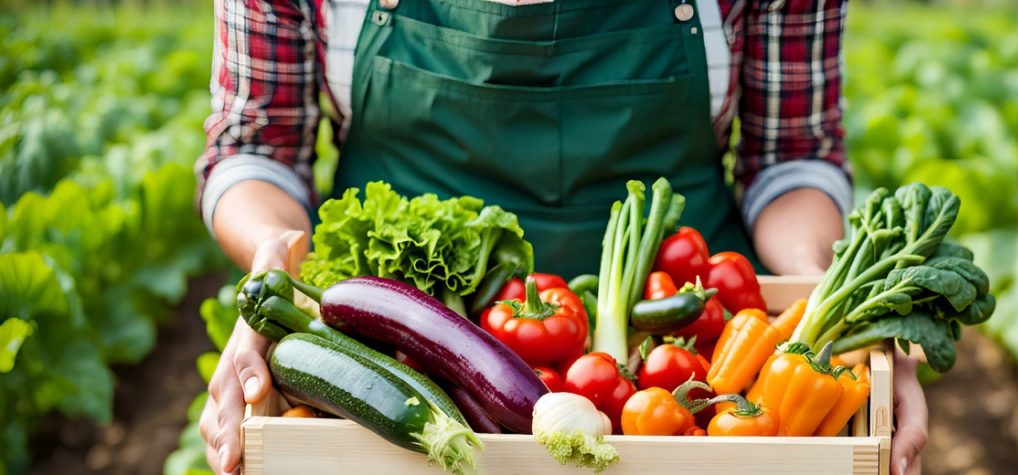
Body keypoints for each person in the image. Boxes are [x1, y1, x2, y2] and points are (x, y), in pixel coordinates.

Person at [194, 0, 927, 473]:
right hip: (392, 365)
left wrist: (825, 302)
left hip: (694, 381)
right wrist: (274, 258)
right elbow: (254, 149)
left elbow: (791, 155)